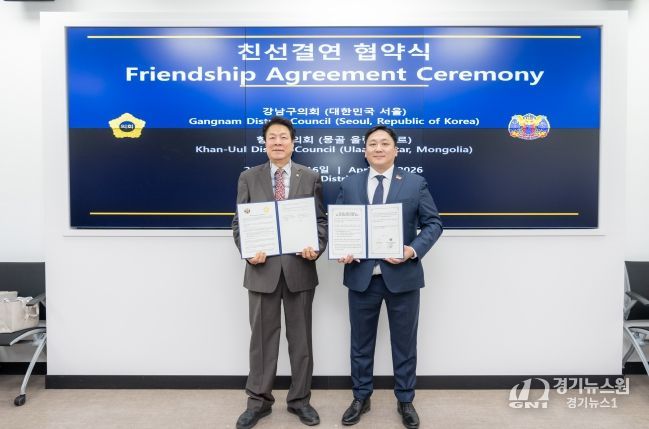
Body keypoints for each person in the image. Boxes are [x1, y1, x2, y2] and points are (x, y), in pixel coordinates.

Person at [336, 125, 443, 429]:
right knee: (360, 343)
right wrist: (343, 249)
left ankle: (405, 400)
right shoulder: (350, 184)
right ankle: (361, 397)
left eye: (385, 143)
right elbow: (340, 226)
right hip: (362, 278)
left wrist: (412, 250)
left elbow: (434, 224)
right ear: (365, 151)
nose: (379, 148)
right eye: (372, 144)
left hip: (403, 277)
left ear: (396, 150)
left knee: (404, 344)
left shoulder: (414, 183)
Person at [232, 116, 327, 429]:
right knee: (261, 342)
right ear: (265, 143)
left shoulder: (310, 176)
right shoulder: (249, 177)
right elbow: (239, 223)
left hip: (300, 270)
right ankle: (258, 402)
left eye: (283, 137)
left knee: (301, 342)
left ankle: (300, 401)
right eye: (272, 137)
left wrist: (317, 246)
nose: (277, 142)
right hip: (262, 271)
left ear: (293, 142)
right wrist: (249, 251)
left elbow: (320, 221)